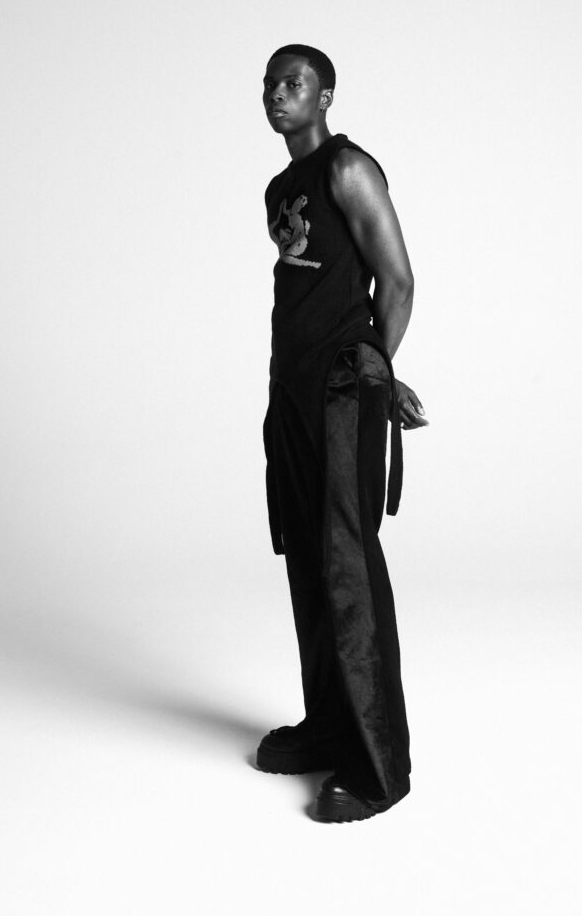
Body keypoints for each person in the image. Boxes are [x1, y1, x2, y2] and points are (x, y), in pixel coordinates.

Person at [256, 44, 428, 822]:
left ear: (324, 96)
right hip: (291, 392)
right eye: (269, 83)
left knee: (346, 564)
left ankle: (379, 766)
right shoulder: (279, 188)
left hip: (339, 388)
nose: (277, 94)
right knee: (307, 558)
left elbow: (398, 282)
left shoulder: (348, 169)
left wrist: (373, 369)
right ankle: (331, 723)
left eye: (293, 83)